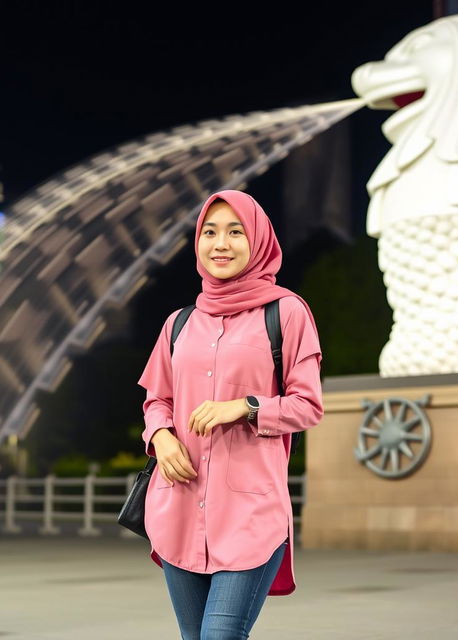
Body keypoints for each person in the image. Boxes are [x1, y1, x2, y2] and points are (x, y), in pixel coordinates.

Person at [137, 189, 324, 639]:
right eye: (210, 232)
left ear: (258, 240)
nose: (221, 244)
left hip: (250, 516)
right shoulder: (179, 323)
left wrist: (246, 406)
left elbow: (308, 405)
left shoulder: (287, 313)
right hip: (179, 509)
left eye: (236, 232)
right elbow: (155, 400)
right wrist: (161, 437)